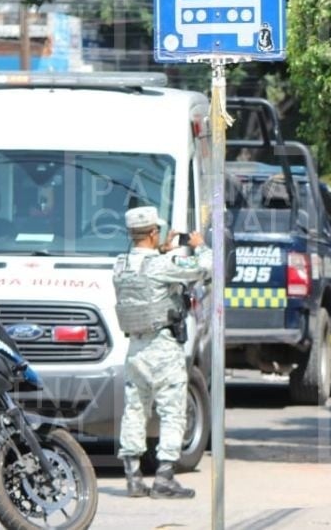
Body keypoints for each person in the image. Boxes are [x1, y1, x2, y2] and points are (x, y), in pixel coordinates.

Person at [113, 206, 212, 498]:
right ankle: (164, 476)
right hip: (162, 347)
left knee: (134, 409)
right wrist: (198, 246)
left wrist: (165, 253)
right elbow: (205, 267)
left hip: (135, 348)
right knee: (172, 410)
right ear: (153, 232)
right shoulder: (161, 265)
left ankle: (133, 477)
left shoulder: (120, 264)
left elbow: (147, 277)